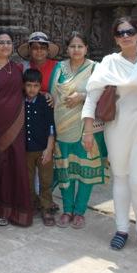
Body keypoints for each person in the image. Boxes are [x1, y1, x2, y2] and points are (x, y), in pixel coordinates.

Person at [81, 16, 137, 256]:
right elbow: (92, 96)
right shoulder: (109, 62)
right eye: (120, 33)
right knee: (121, 178)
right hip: (117, 129)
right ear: (116, 39)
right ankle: (122, 229)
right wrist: (87, 131)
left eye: (130, 32)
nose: (125, 36)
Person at [49, 32, 107, 230]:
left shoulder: (95, 68)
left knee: (85, 171)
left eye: (80, 46)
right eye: (73, 46)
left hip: (87, 128)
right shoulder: (59, 67)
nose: (76, 50)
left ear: (86, 49)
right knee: (65, 170)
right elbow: (52, 96)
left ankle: (80, 211)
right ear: (67, 49)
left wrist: (82, 96)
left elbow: (105, 93)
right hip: (62, 127)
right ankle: (67, 210)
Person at [0, 31, 33, 227]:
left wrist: (45, 95)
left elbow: (27, 91)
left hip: (17, 123)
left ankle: (17, 211)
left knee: (16, 164)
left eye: (8, 42)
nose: (5, 46)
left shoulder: (17, 67)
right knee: (0, 166)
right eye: (1, 42)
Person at [22, 69, 57, 226]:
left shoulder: (45, 102)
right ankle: (34, 203)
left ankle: (46, 208)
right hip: (26, 150)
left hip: (43, 149)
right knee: (28, 180)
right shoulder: (21, 101)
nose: (32, 89)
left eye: (36, 86)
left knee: (45, 180)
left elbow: (51, 126)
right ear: (23, 85)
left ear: (40, 86)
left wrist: (49, 149)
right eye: (29, 85)